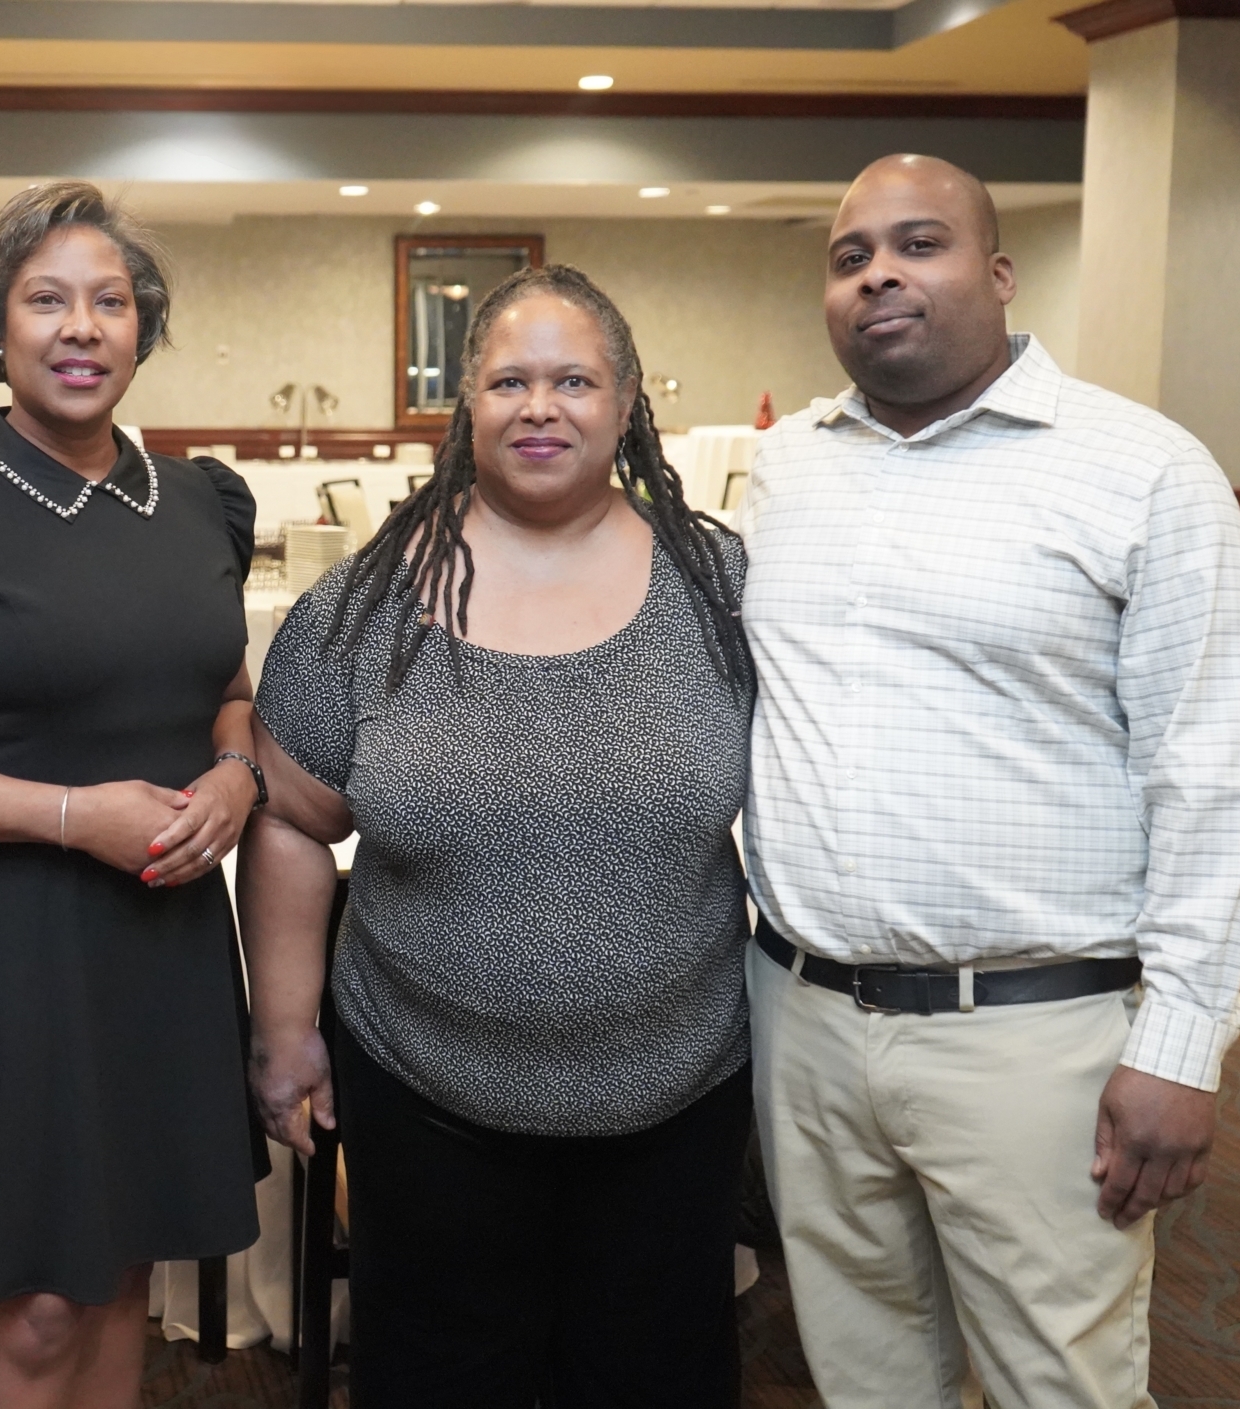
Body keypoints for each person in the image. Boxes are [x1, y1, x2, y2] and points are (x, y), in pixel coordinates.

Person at [740, 154, 1240, 1408]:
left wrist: (1182, 1046)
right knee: (864, 1374)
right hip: (804, 1018)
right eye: (848, 253)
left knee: (1061, 1383)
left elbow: (1209, 778)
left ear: (995, 271)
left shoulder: (1141, 470)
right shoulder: (785, 471)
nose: (878, 273)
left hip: (1034, 1036)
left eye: (916, 244)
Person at [242, 263, 757, 1407]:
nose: (539, 406)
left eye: (573, 379)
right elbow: (288, 823)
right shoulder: (362, 606)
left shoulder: (720, 587)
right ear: (463, 408)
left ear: (624, 405)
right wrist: (284, 1035)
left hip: (676, 1094)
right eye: (507, 380)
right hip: (423, 1096)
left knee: (654, 1377)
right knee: (438, 1377)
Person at [0, 181, 264, 1409]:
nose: (81, 327)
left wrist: (235, 774)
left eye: (110, 301)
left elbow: (224, 692)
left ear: (142, 330)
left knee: (123, 1265)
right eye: (46, 300)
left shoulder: (199, 500)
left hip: (163, 929)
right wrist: (71, 814)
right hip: (2, 936)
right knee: (31, 1302)